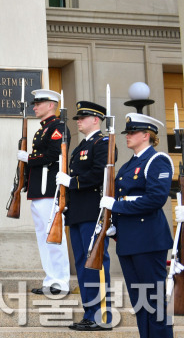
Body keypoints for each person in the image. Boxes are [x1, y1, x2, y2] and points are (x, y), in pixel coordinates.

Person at [100, 113, 174, 338]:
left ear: (146, 135)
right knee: (140, 301)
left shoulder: (157, 161)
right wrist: (112, 224)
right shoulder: (127, 165)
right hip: (128, 241)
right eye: (127, 132)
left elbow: (155, 199)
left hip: (148, 240)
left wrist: (118, 207)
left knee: (155, 300)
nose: (127, 136)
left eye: (132, 132)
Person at [55, 101, 113, 330]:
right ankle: (90, 312)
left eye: (82, 117)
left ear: (96, 120)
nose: (78, 121)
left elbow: (101, 173)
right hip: (78, 213)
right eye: (78, 118)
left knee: (95, 264)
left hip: (92, 212)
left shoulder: (104, 143)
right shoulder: (80, 147)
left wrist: (73, 182)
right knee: (81, 264)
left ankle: (101, 315)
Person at [17, 89, 70, 294]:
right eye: (34, 103)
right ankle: (50, 279)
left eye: (39, 103)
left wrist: (28, 159)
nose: (34, 106)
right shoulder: (42, 130)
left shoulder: (58, 127)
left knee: (54, 236)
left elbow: (54, 154)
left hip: (49, 190)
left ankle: (61, 281)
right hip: (38, 190)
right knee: (43, 237)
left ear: (51, 105)